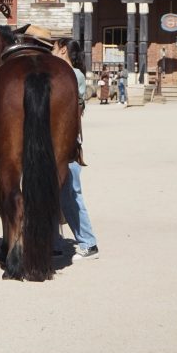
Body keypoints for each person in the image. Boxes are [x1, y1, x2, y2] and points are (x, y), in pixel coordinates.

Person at [53, 37, 99, 260]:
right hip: (56, 143)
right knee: (52, 194)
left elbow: (72, 109)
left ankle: (88, 243)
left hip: (68, 143)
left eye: (54, 48)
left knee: (70, 194)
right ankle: (53, 242)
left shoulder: (75, 76)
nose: (52, 51)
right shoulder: (61, 74)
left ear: (63, 51)